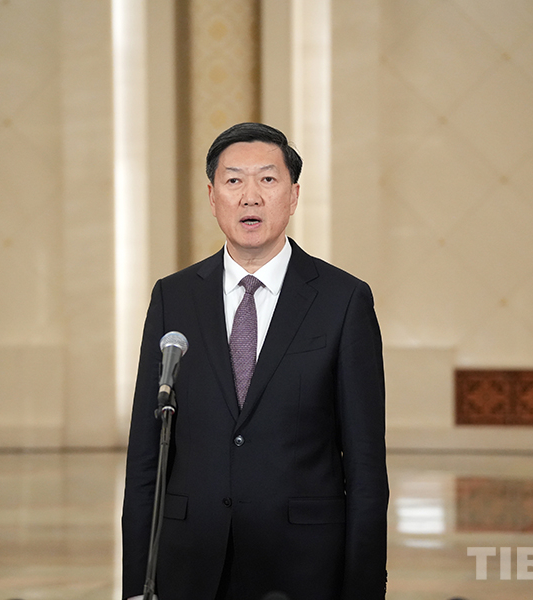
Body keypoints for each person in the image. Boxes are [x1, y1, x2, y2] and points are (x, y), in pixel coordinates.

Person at [121, 122, 388, 600]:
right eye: (233, 180)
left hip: (303, 565)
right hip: (190, 564)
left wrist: (363, 589)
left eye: (267, 179)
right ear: (212, 196)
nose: (250, 196)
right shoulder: (173, 298)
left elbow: (366, 466)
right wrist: (136, 586)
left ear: (294, 195)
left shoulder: (343, 300)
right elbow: (145, 457)